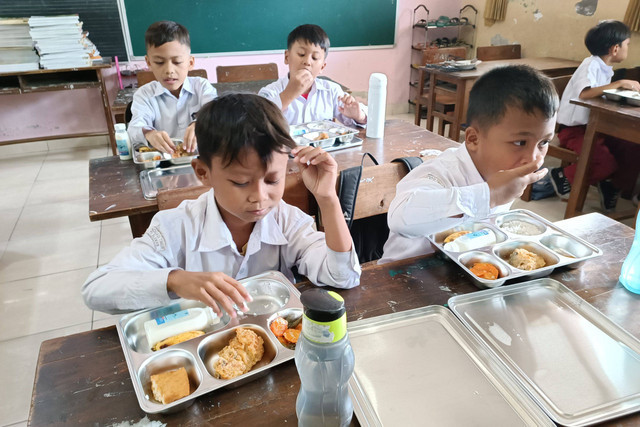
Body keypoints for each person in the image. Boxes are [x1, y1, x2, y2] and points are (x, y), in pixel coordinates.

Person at [83, 94, 361, 315]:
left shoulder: (286, 220)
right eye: (241, 182)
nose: (260, 196)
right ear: (203, 173)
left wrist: (327, 199)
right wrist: (176, 280)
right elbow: (97, 289)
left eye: (273, 180)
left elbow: (343, 276)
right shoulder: (176, 226)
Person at [379, 65, 558, 264]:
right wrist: (490, 195)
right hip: (404, 280)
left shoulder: (504, 172)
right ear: (473, 139)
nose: (533, 158)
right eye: (519, 142)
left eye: (544, 143)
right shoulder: (441, 172)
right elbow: (399, 218)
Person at [550, 20, 640, 212]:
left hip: (596, 126)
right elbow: (585, 93)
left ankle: (612, 186)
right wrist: (619, 84)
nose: (627, 49)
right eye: (627, 45)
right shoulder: (590, 64)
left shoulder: (605, 68)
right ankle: (563, 175)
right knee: (604, 162)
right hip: (574, 130)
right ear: (615, 49)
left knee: (632, 147)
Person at [127, 21, 217, 154]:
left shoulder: (202, 87)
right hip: (164, 163)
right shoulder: (144, 95)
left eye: (177, 62)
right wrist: (149, 133)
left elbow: (216, 114)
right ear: (149, 63)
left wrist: (199, 124)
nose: (169, 70)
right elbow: (135, 127)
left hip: (202, 158)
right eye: (159, 62)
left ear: (190, 62)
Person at [258, 24, 367, 126]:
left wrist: (359, 116)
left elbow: (365, 119)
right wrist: (289, 94)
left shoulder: (331, 91)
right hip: (287, 146)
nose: (307, 62)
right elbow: (256, 121)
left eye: (315, 58)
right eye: (301, 54)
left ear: (322, 67)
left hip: (322, 146)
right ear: (287, 57)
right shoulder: (270, 92)